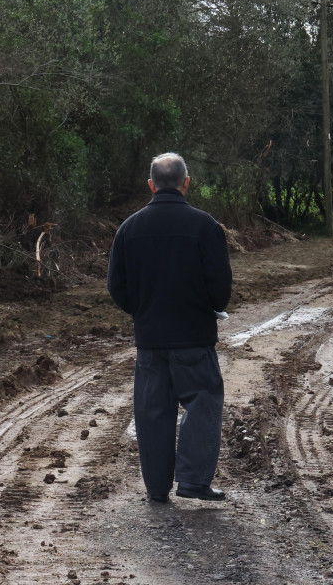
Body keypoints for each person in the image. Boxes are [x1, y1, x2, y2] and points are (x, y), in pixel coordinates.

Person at [107, 152, 232, 503]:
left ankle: (157, 488)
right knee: (203, 403)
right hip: (194, 337)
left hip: (150, 339)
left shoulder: (129, 229)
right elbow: (220, 291)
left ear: (151, 184)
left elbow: (117, 287)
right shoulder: (206, 227)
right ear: (186, 182)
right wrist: (207, 307)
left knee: (152, 412)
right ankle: (193, 481)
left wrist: (144, 310)